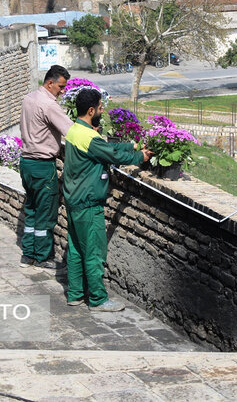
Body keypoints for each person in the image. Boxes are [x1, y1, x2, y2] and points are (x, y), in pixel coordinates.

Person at [63, 89, 152, 311]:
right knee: (93, 252)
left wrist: (130, 145)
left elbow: (106, 148)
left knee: (75, 249)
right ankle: (98, 299)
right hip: (88, 204)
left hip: (74, 201)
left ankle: (74, 294)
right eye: (101, 108)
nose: (103, 111)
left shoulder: (75, 131)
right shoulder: (88, 137)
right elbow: (112, 156)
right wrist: (140, 156)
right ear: (91, 110)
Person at [19, 65, 73, 269]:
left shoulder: (28, 98)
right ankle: (42, 257)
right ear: (50, 83)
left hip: (26, 163)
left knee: (31, 209)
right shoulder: (49, 105)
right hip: (42, 165)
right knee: (46, 213)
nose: (62, 91)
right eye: (60, 86)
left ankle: (28, 254)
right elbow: (70, 131)